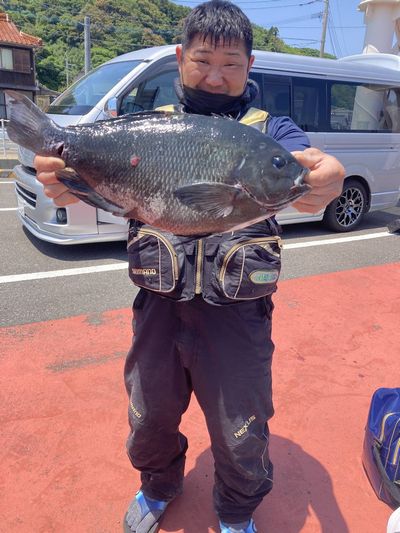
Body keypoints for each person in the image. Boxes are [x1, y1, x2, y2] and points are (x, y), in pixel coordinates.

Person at [34, 2, 345, 531]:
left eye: (232, 64)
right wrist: (65, 175)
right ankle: (158, 486)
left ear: (250, 67)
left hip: (238, 317)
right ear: (180, 59)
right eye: (203, 60)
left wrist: (330, 177)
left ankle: (236, 510)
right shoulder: (145, 124)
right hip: (158, 308)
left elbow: (309, 162)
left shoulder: (273, 133)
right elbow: (100, 183)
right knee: (149, 416)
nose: (216, 75)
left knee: (240, 427)